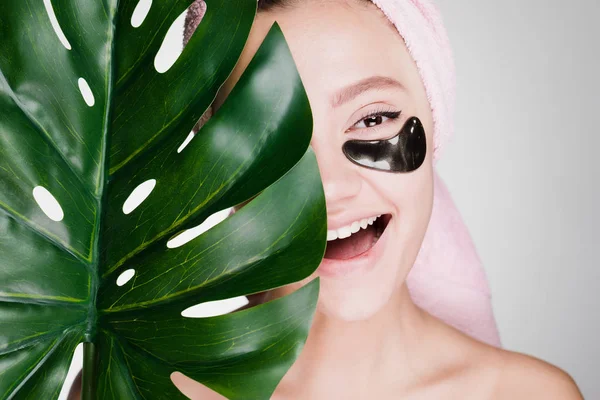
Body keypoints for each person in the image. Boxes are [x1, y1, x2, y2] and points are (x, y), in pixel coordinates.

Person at [167, 0, 583, 399]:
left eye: (372, 119)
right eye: (270, 137)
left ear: (435, 117)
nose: (329, 186)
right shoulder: (144, 390)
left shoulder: (527, 395)